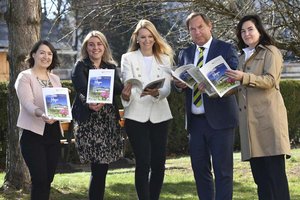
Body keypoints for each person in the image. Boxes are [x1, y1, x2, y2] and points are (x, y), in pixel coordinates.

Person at [226, 14, 291, 200]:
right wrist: (210, 88)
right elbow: (237, 87)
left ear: (260, 30)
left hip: (269, 124)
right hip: (250, 127)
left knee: (276, 179)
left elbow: (270, 81)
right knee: (261, 181)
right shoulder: (241, 58)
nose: (246, 33)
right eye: (243, 31)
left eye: (250, 29)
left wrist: (243, 77)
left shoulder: (271, 52)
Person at [175, 12, 239, 200]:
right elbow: (180, 82)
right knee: (200, 172)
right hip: (195, 123)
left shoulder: (225, 49)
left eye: (200, 27)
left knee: (223, 172)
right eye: (192, 29)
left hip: (221, 121)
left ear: (210, 26)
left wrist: (212, 83)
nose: (197, 32)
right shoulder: (185, 53)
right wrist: (178, 84)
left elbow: (234, 80)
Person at [121, 19, 174, 200]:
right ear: (136, 38)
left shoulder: (165, 58)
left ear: (155, 37)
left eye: (150, 36)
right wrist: (126, 95)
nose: (147, 40)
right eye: (143, 37)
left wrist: (157, 92)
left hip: (160, 115)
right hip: (136, 116)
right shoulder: (127, 58)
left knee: (159, 164)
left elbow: (167, 88)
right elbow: (128, 82)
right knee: (143, 162)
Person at [71, 30, 123, 200]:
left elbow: (118, 88)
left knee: (102, 168)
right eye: (91, 44)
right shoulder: (80, 65)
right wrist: (90, 102)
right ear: (86, 47)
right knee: (99, 168)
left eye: (99, 44)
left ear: (104, 46)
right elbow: (80, 87)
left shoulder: (110, 67)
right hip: (90, 122)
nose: (95, 47)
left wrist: (123, 87)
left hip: (108, 121)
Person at [15, 40, 62, 200]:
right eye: (42, 52)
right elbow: (27, 103)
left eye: (50, 53)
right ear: (33, 54)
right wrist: (42, 114)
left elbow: (58, 105)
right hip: (33, 135)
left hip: (54, 134)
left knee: (48, 179)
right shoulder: (24, 77)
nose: (46, 56)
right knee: (40, 179)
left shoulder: (55, 79)